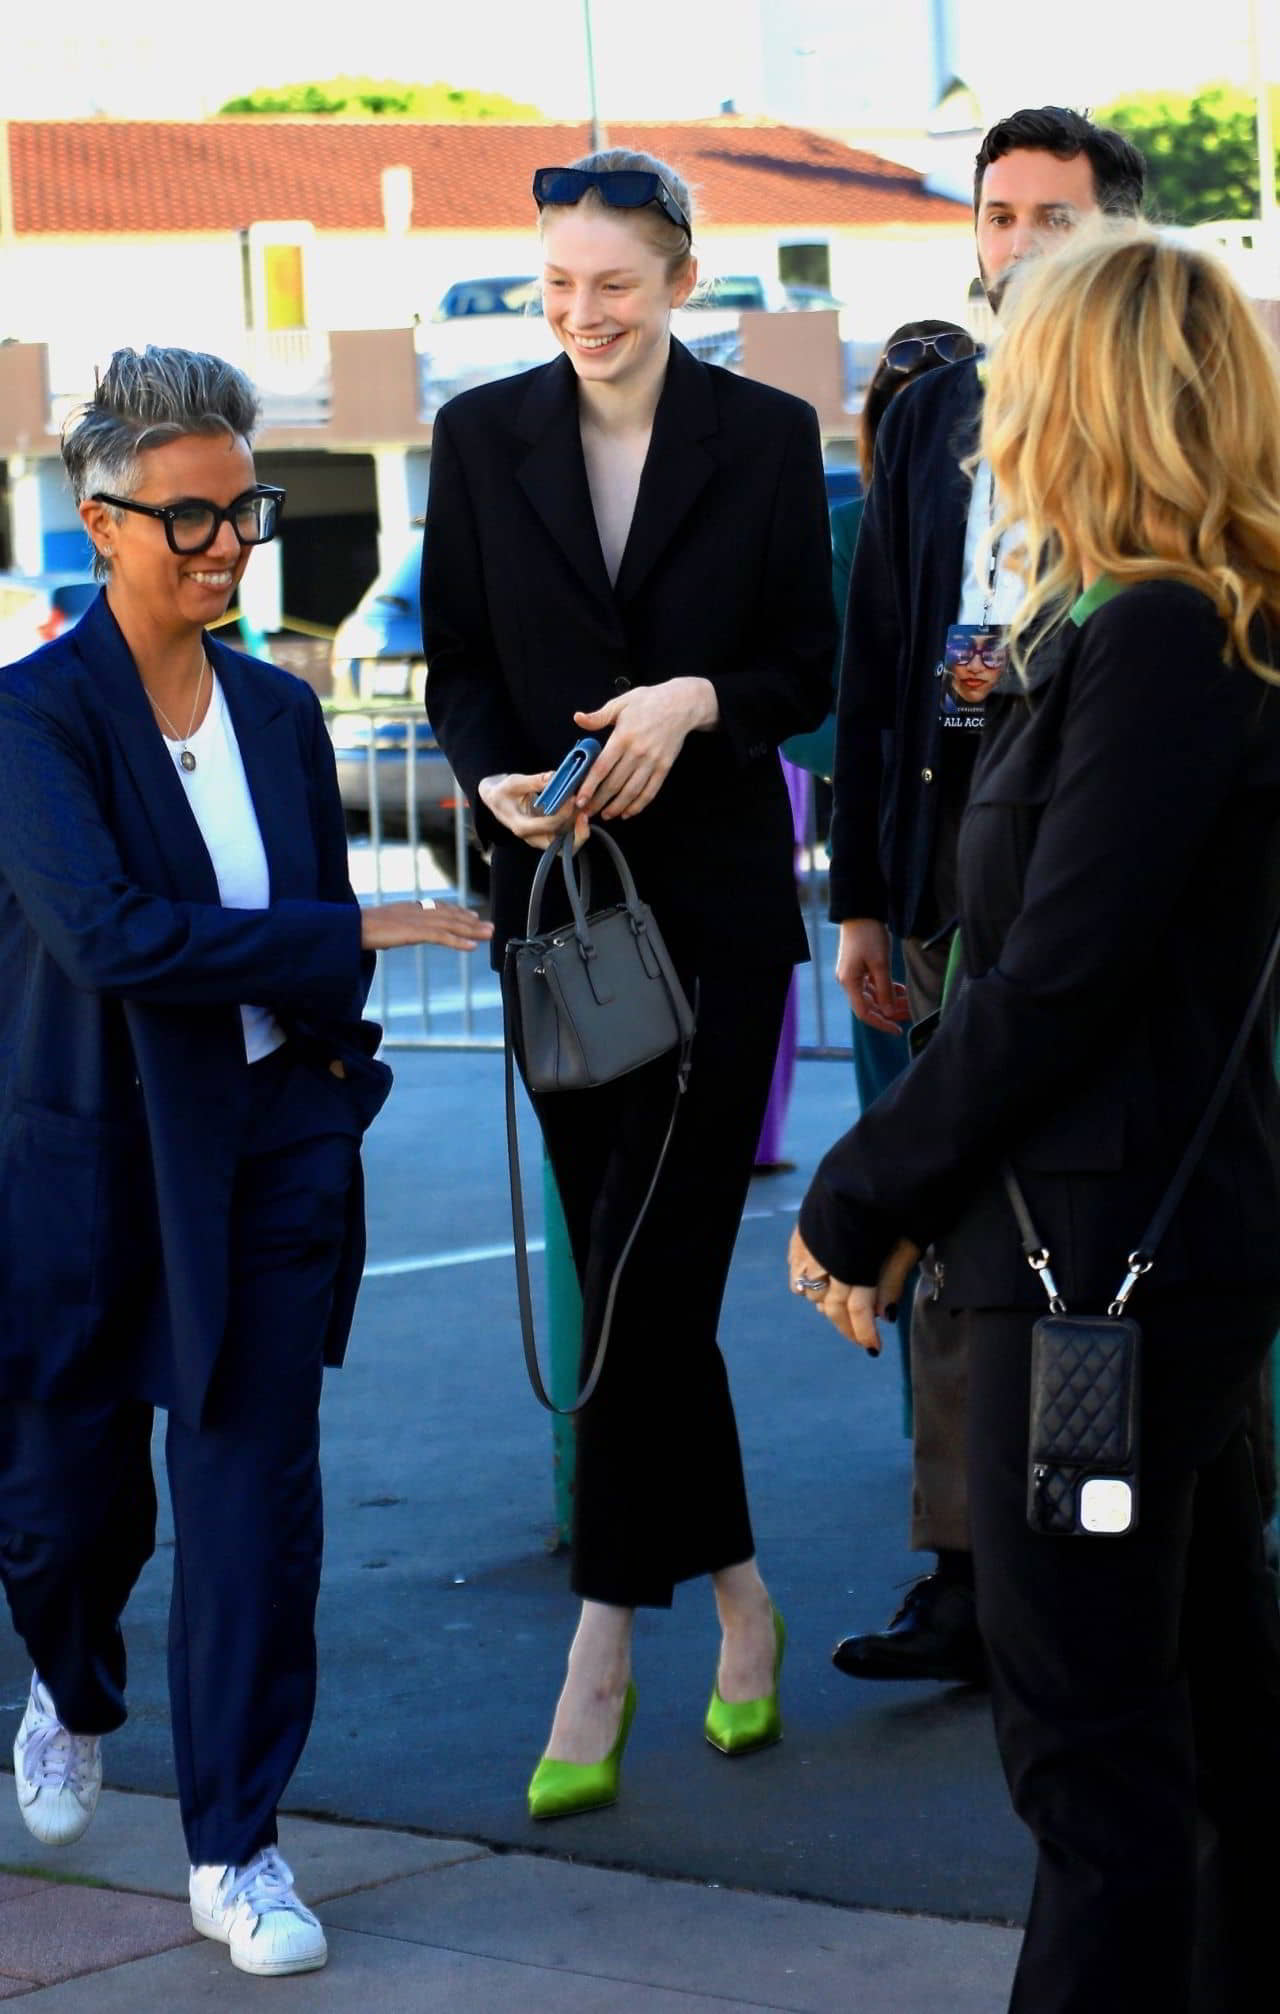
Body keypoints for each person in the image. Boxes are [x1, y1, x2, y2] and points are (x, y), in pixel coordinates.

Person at [792, 224, 1280, 2013]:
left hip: (1103, 1278)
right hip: (1126, 1255)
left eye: (1017, 367)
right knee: (1214, 1725)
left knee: (1091, 1758)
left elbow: (1057, 980)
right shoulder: (1144, 619)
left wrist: (862, 1190)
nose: (990, 402)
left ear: (1087, 395)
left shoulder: (1158, 635)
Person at [0, 347, 490, 1977]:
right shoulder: (33, 719)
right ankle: (69, 1685)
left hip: (268, 1155)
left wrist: (332, 1063)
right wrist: (358, 926)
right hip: (94, 1163)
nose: (226, 546)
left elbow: (295, 961)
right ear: (101, 519)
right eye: (190, 516)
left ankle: (239, 1845)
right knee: (68, 1508)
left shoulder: (281, 711)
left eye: (245, 511)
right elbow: (111, 936)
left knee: (251, 1508)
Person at [422, 148, 834, 1817]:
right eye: (557, 285)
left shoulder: (766, 438)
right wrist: (490, 781)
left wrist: (692, 704)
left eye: (614, 282)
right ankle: (742, 1606)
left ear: (681, 278)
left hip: (720, 929)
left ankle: (603, 1640)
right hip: (561, 915)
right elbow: (455, 665)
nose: (582, 313)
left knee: (646, 1285)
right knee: (632, 1275)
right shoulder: (478, 433)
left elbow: (804, 666)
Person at [826, 108, 1146, 1684]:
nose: (1016, 246)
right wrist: (866, 895)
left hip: (1100, 836)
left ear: (1119, 237)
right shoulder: (936, 403)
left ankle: (1152, 1535)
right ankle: (961, 1574)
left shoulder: (1165, 405)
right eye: (997, 215)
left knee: (1111, 1200)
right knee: (950, 1222)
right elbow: (881, 653)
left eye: (1051, 218)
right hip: (950, 846)